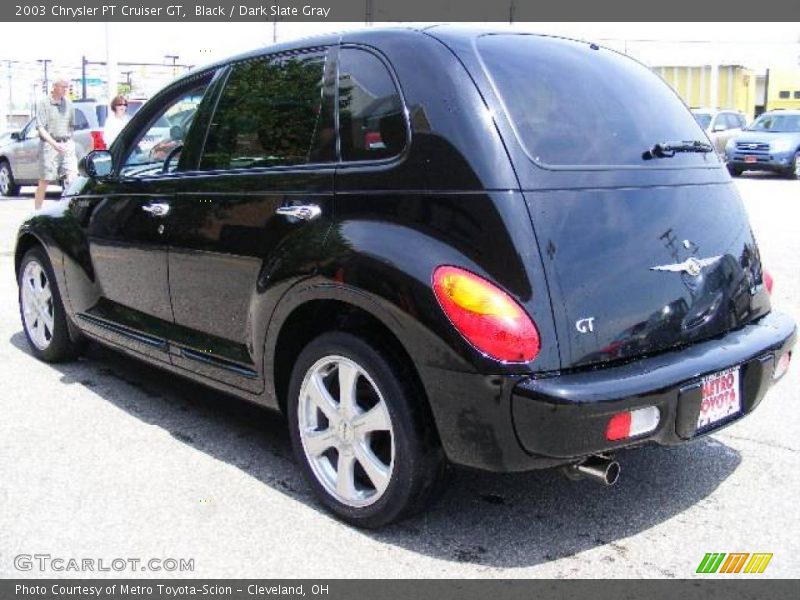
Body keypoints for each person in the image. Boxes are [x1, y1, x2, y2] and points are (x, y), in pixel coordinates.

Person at [34, 78, 77, 210]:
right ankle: (37, 210)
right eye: (63, 86)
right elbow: (40, 127)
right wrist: (53, 143)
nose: (65, 89)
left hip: (66, 143)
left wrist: (69, 141)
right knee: (45, 180)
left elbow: (71, 126)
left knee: (72, 177)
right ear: (54, 87)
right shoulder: (43, 103)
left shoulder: (69, 104)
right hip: (49, 144)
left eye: (67, 87)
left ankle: (72, 209)